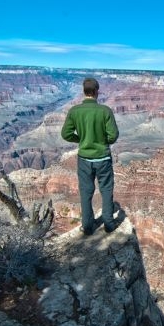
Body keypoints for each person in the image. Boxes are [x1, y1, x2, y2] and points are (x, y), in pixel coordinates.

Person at [61, 77, 121, 234]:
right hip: (103, 158)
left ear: (84, 91)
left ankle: (87, 227)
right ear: (96, 92)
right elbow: (113, 136)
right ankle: (109, 224)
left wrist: (81, 139)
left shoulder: (75, 111)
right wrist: (101, 141)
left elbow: (66, 134)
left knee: (86, 192)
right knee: (106, 190)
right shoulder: (105, 111)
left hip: (84, 159)